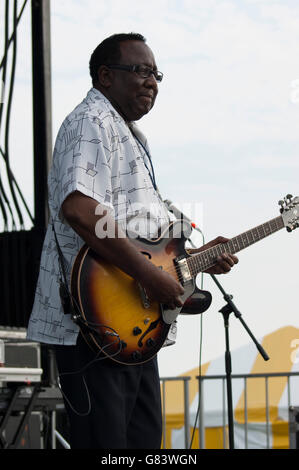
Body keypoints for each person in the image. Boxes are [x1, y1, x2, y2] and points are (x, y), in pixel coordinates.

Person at [27, 33, 238, 449]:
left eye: (156, 74)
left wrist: (194, 259)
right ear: (105, 76)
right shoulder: (92, 120)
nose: (152, 82)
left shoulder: (131, 137)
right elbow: (80, 209)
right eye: (141, 71)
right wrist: (148, 275)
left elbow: (142, 240)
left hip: (133, 325)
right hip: (93, 325)